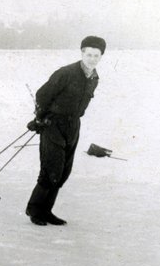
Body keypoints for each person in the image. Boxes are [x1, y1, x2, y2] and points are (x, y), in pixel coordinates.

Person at [25, 36, 106, 226]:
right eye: (88, 54)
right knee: (51, 168)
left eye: (96, 55)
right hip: (53, 123)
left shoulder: (94, 77)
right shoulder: (66, 73)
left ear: (101, 56)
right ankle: (34, 209)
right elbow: (43, 95)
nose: (92, 58)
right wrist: (40, 118)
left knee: (63, 171)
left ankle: (46, 211)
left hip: (73, 125)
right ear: (82, 53)